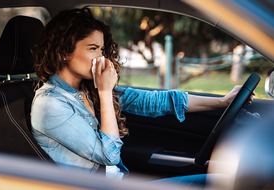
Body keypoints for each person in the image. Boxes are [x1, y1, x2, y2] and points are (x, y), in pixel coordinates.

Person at [30, 7, 254, 185]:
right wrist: (105, 91)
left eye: (102, 49)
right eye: (92, 48)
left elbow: (154, 102)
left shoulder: (87, 89)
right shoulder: (50, 103)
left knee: (230, 182)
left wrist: (223, 102)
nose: (102, 57)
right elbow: (108, 156)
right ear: (64, 52)